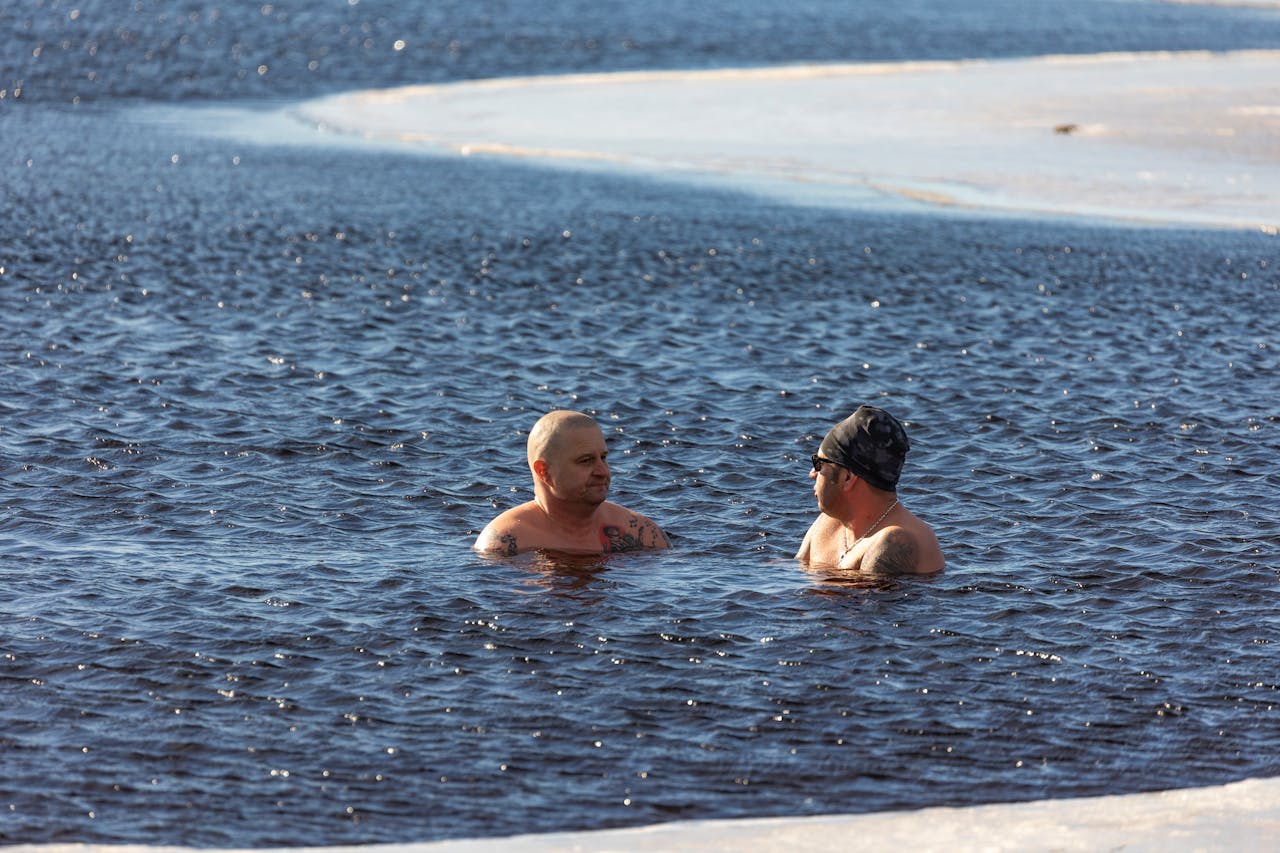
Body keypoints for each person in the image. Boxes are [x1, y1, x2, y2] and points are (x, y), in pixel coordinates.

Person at [474, 410, 671, 556]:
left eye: (603, 457)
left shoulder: (642, 533)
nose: (603, 472)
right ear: (544, 471)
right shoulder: (504, 541)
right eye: (586, 461)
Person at [796, 405, 944, 575]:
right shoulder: (827, 523)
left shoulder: (893, 541)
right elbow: (790, 576)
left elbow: (860, 600)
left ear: (847, 478)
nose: (812, 473)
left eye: (819, 464)